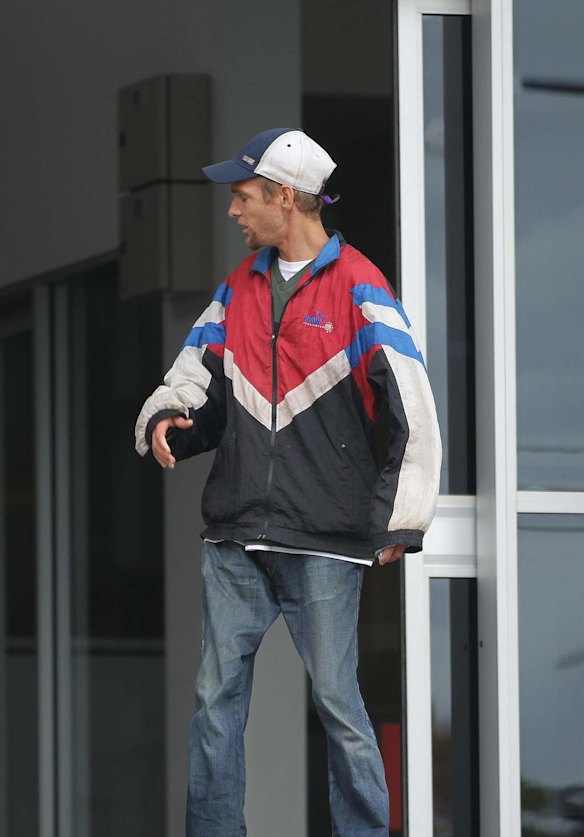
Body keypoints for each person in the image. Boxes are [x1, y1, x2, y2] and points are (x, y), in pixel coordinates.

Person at [135, 127, 441, 837]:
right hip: (236, 532)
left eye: (244, 198)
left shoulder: (361, 287)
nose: (235, 211)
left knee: (339, 704)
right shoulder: (236, 289)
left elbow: (413, 406)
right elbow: (197, 380)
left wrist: (402, 516)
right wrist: (172, 418)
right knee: (215, 700)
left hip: (325, 540)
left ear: (284, 197)